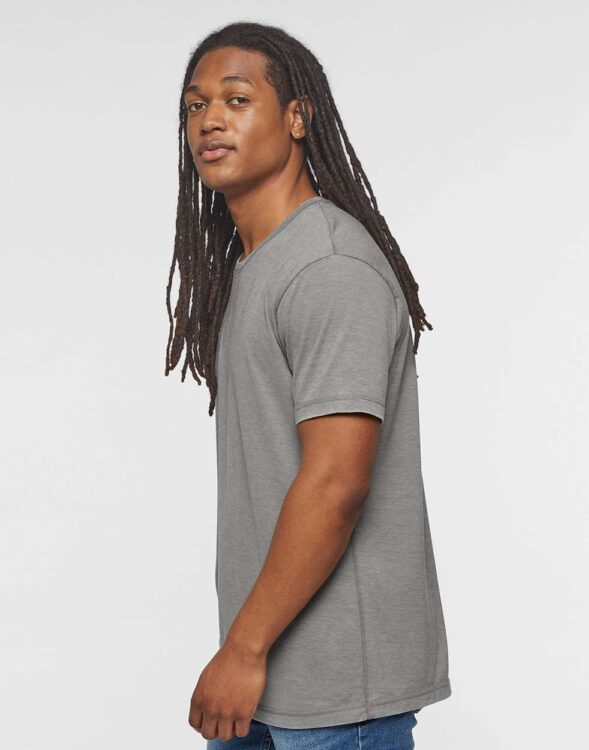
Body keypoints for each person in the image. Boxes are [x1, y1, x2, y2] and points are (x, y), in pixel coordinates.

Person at [165, 21, 452, 749]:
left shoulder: (328, 268)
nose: (210, 120)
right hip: (270, 674)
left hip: (337, 693)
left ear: (297, 117)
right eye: (195, 105)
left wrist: (243, 649)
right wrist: (245, 650)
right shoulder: (257, 265)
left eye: (237, 98)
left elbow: (336, 484)